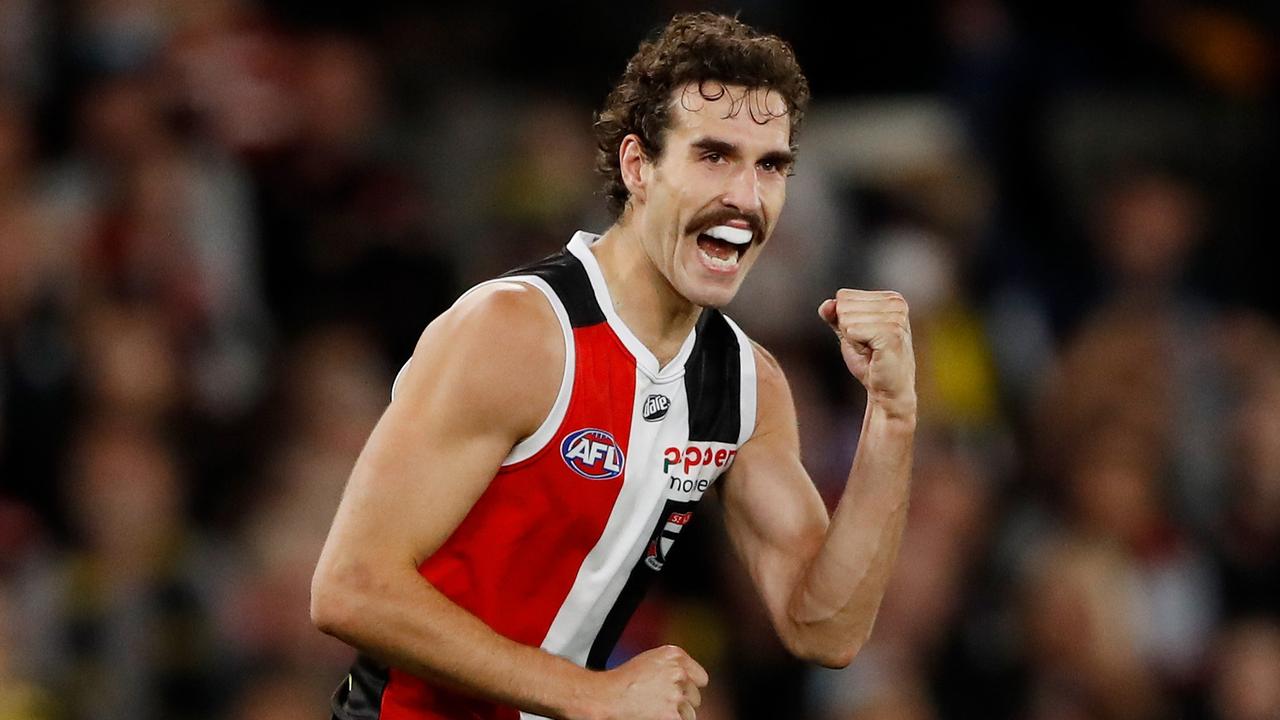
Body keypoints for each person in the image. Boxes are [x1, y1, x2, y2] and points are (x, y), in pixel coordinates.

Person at [311, 12, 916, 720]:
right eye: (713, 155)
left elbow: (825, 628)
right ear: (638, 166)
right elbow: (350, 586)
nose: (746, 199)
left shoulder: (746, 386)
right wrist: (589, 694)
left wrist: (893, 418)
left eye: (770, 165)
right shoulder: (515, 331)